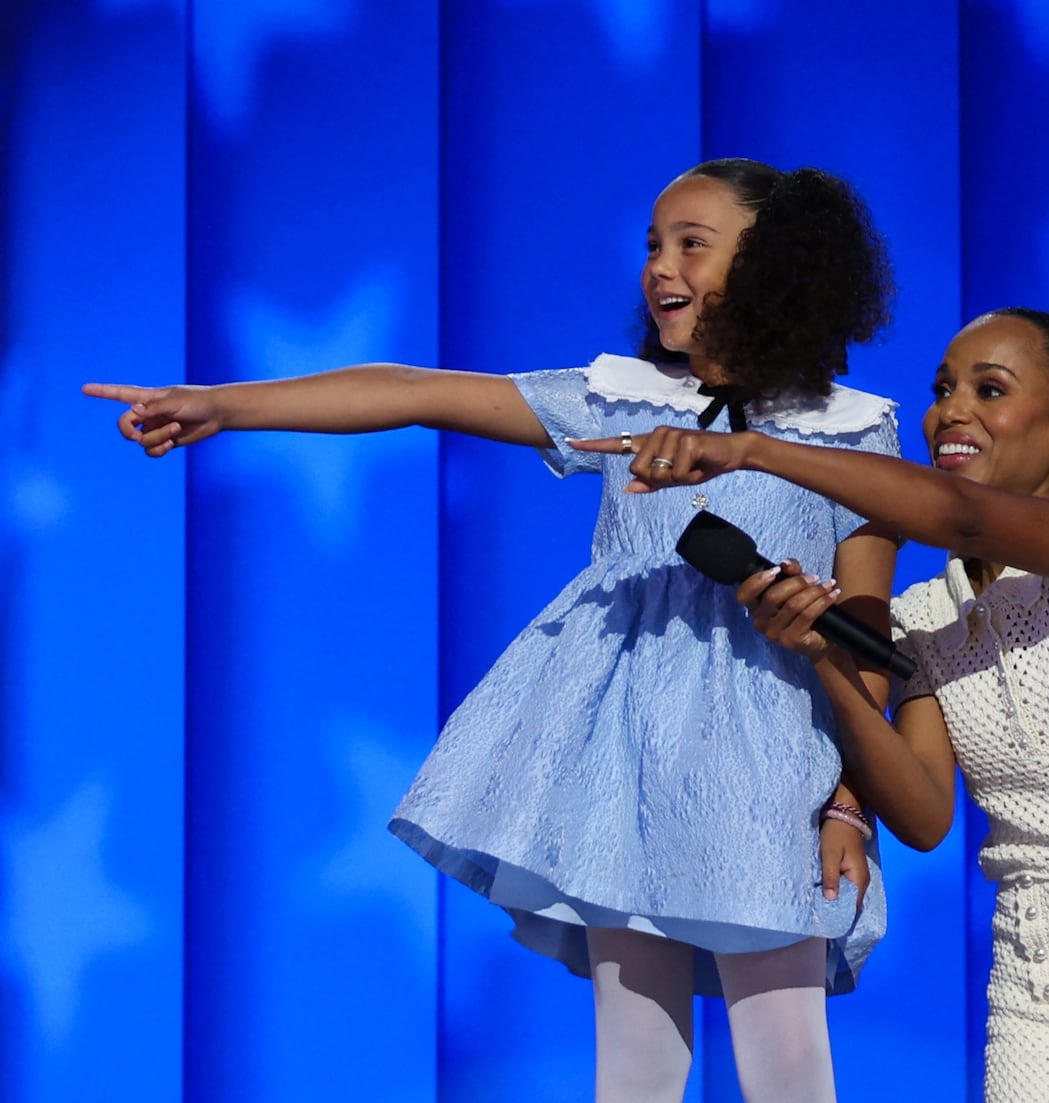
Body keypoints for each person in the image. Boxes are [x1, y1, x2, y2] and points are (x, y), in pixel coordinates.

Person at [84, 157, 899, 1103]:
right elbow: (414, 388)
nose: (660, 266)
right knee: (634, 1063)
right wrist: (225, 406)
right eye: (653, 244)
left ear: (777, 265)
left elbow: (865, 636)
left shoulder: (853, 431)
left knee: (788, 1058)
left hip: (768, 764)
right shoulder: (620, 395)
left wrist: (850, 804)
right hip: (619, 761)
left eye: (693, 244)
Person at [579, 307, 1049, 1101]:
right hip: (1047, 997)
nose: (951, 410)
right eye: (942, 389)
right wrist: (823, 657)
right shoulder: (926, 619)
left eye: (989, 388)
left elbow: (960, 515)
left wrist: (751, 450)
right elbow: (927, 813)